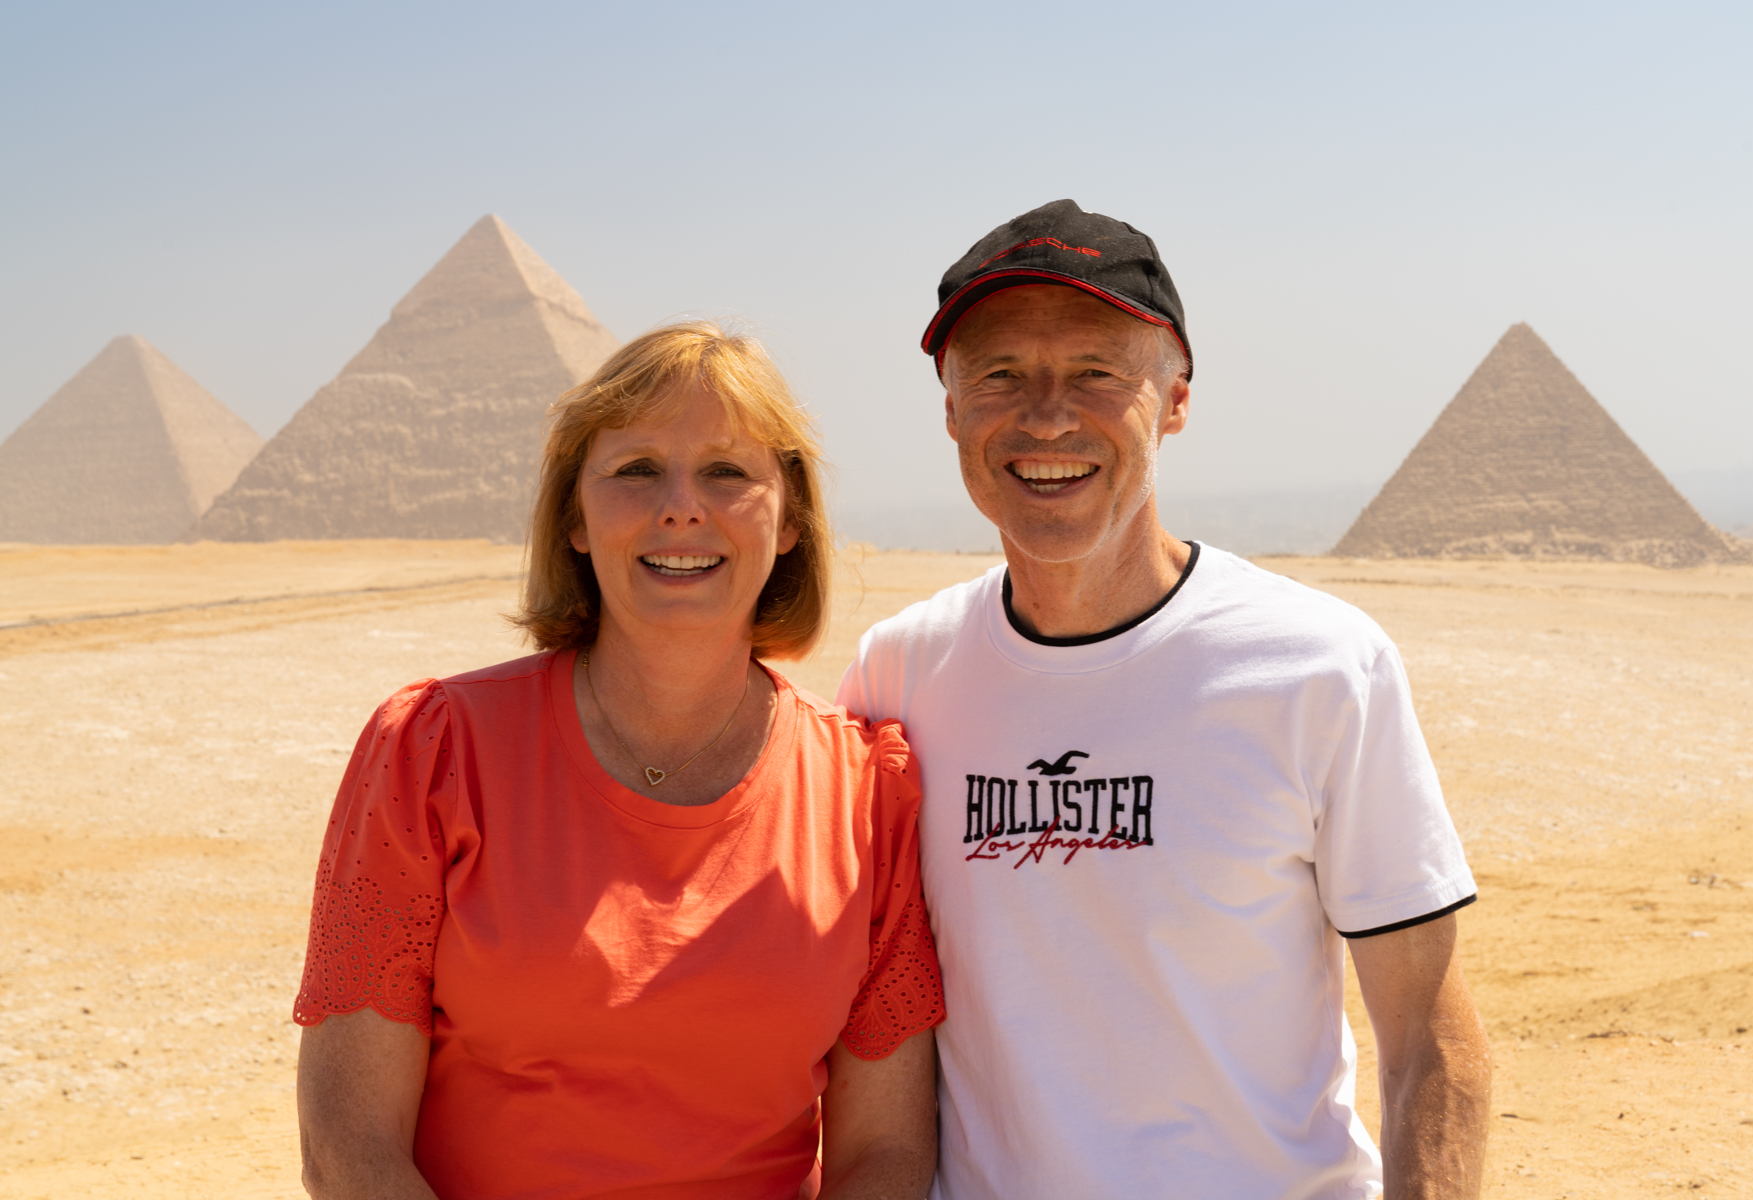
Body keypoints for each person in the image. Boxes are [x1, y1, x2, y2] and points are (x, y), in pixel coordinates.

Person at [836, 200, 1490, 1200]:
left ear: (1177, 399)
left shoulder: (1319, 668)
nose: (1046, 415)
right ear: (952, 411)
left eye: (1097, 373)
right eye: (1000, 375)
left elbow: (1431, 1041)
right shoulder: (899, 674)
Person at [294, 322, 944, 1200]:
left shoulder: (868, 794)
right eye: (636, 469)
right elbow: (349, 1145)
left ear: (788, 518)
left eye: (728, 471)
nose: (681, 505)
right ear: (573, 516)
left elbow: (886, 1156)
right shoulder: (433, 751)